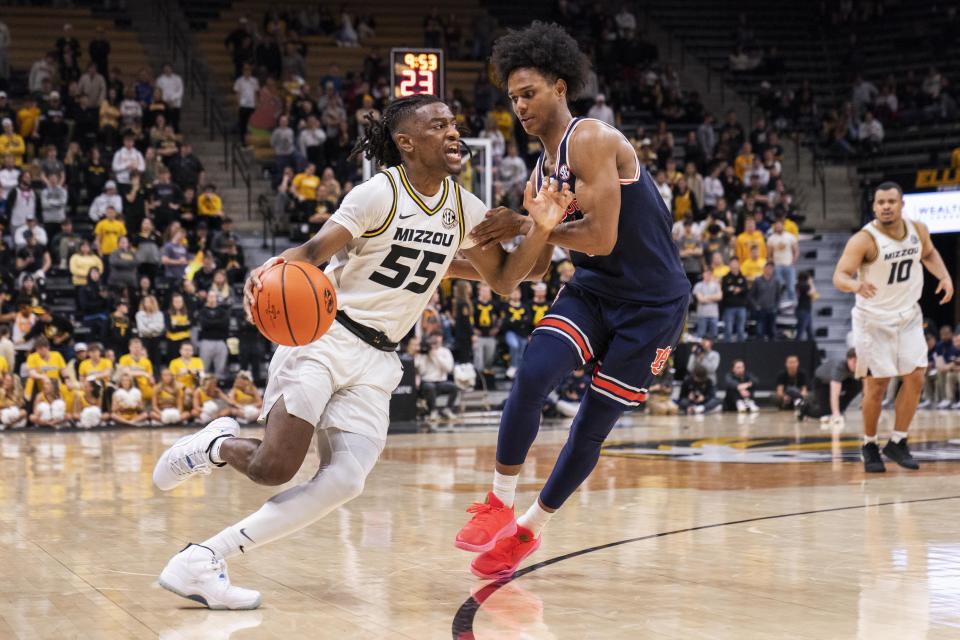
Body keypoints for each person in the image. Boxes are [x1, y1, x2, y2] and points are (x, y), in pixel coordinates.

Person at [151, 94, 568, 609]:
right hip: (327, 336)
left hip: (379, 359)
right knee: (273, 467)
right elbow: (310, 254)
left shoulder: (466, 207)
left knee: (346, 481)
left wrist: (541, 226)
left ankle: (204, 559)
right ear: (407, 142)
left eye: (455, 123)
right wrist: (266, 276)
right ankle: (214, 446)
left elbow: (510, 278)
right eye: (439, 126)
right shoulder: (377, 193)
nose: (454, 133)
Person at [449, 23, 689, 580]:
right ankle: (499, 503)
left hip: (651, 306)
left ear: (560, 87)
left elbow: (601, 238)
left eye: (528, 92)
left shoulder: (592, 140)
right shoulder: (540, 171)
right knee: (533, 375)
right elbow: (526, 272)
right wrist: (448, 266)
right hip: (593, 290)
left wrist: (537, 223)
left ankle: (527, 530)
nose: (520, 106)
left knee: (590, 426)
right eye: (512, 98)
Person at [833, 181, 953, 473]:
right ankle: (870, 443)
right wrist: (855, 284)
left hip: (908, 315)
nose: (886, 206)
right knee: (877, 385)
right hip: (873, 320)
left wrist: (945, 277)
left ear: (901, 205)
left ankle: (898, 440)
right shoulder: (864, 239)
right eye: (880, 202)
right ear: (874, 206)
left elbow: (929, 254)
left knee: (916, 376)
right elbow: (839, 275)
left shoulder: (918, 230)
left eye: (891, 201)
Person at [800, 349, 861, 423]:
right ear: (848, 359)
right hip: (821, 382)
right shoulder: (839, 367)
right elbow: (834, 393)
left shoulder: (861, 368)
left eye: (859, 362)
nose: (857, 365)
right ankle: (804, 407)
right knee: (825, 411)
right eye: (854, 361)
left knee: (858, 384)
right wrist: (836, 414)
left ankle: (840, 409)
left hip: (843, 380)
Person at [414, 334, 459, 420]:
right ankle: (433, 411)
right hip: (427, 381)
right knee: (430, 387)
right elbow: (421, 371)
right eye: (432, 343)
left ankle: (448, 409)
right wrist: (426, 357)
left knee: (453, 387)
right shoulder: (424, 353)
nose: (433, 345)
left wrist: (436, 357)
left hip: (441, 382)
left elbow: (449, 369)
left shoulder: (445, 351)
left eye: (436, 342)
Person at [721, 257, 748, 342]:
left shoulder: (743, 277)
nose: (734, 266)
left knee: (741, 330)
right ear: (730, 265)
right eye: (732, 264)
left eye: (736, 264)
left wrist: (740, 290)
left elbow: (746, 290)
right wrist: (732, 290)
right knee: (728, 329)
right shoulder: (725, 277)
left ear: (739, 265)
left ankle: (742, 350)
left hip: (741, 307)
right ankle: (727, 348)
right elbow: (724, 290)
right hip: (729, 307)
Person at [692, 269, 721, 338]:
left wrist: (706, 297)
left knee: (714, 335)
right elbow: (701, 300)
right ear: (703, 274)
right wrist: (713, 298)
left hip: (714, 314)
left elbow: (719, 297)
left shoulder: (716, 285)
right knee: (701, 335)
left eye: (709, 274)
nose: (708, 275)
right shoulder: (698, 285)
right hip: (702, 314)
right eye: (706, 273)